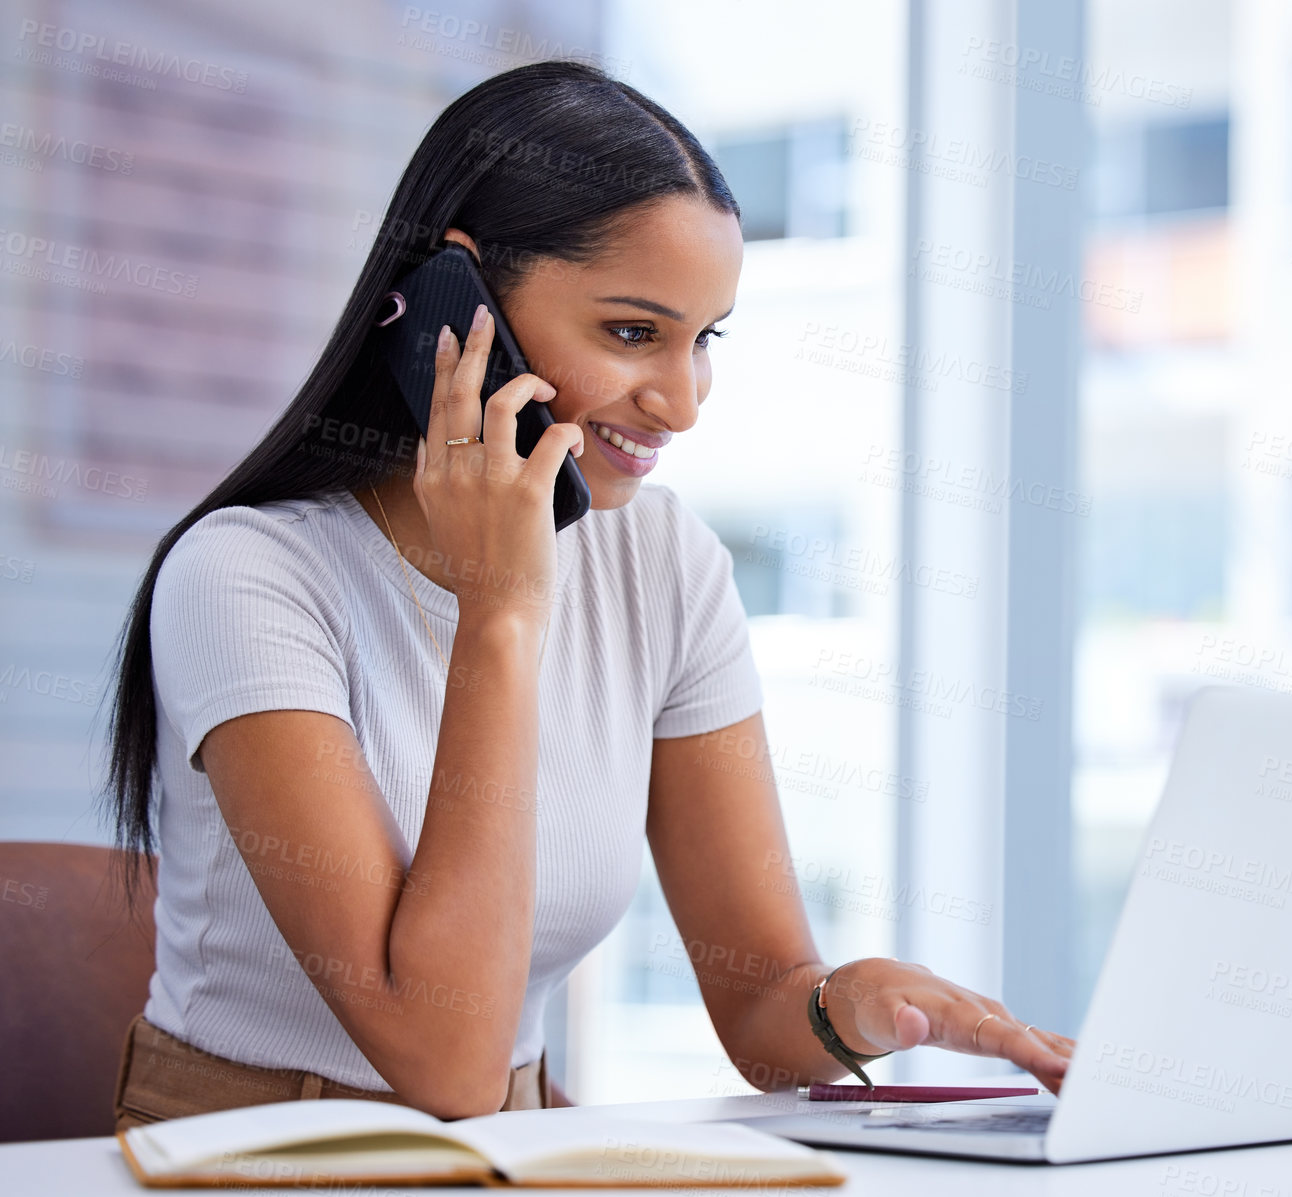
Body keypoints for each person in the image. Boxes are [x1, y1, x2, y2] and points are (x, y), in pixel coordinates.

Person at [104, 58, 1072, 1130]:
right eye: (629, 333)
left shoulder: (662, 562)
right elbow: (446, 1064)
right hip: (237, 1156)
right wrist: (501, 611)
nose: (681, 402)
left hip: (508, 1151)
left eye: (704, 340)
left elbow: (758, 1004)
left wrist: (851, 1008)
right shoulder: (246, 577)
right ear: (451, 303)